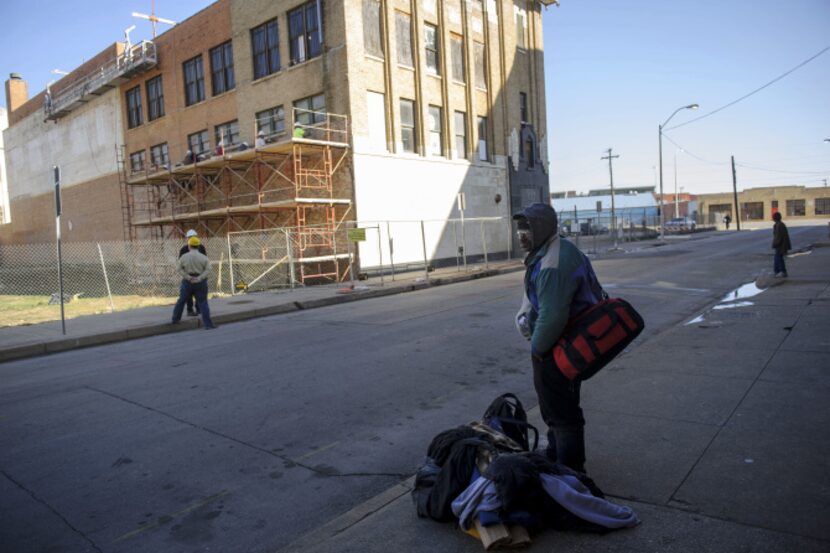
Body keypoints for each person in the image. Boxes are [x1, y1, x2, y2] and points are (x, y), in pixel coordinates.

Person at [514, 203, 605, 473]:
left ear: (542, 228)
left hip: (560, 347)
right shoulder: (553, 249)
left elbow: (552, 318)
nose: (521, 234)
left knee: (561, 411)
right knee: (558, 407)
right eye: (519, 227)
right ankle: (557, 454)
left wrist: (538, 350)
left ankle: (570, 470)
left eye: (527, 228)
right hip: (569, 343)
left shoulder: (553, 263)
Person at [172, 236, 216, 329]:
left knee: (181, 300)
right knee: (203, 302)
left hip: (188, 282)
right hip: (200, 282)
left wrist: (188, 277)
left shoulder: (184, 257)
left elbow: (179, 269)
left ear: (189, 246)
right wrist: (200, 278)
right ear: (198, 246)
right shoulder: (203, 257)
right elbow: (208, 269)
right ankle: (208, 324)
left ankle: (175, 319)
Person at [179, 230, 207, 316]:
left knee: (200, 293)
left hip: (199, 274)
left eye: (193, 237)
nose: (191, 238)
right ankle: (190, 310)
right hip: (189, 275)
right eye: (190, 237)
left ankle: (199, 309)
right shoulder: (184, 249)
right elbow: (181, 262)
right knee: (188, 295)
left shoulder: (201, 247)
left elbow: (205, 260)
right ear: (187, 238)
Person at [772, 212, 791, 277]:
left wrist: (775, 244)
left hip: (781, 245)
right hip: (780, 245)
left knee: (779, 258)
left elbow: (779, 237)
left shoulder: (780, 225)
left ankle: (782, 271)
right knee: (777, 258)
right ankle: (777, 271)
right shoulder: (778, 225)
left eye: (773, 217)